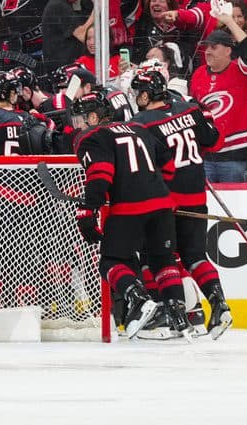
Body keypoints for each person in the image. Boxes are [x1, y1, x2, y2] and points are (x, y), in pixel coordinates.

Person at [71, 89, 190, 338]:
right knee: (163, 261)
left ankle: (137, 297)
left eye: (81, 118)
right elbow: (168, 164)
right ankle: (178, 317)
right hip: (161, 204)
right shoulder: (138, 128)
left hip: (129, 208)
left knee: (111, 261)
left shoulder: (92, 136)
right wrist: (152, 188)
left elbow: (101, 173)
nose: (78, 125)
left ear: (94, 117)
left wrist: (88, 208)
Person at [128, 65, 232, 338]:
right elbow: (215, 141)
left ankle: (171, 317)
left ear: (148, 94)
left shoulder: (141, 123)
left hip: (166, 202)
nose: (137, 96)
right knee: (195, 256)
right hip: (196, 196)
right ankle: (220, 306)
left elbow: (139, 165)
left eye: (139, 92)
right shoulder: (189, 109)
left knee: (157, 258)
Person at [189, 28, 247, 182]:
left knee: (233, 205)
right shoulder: (198, 73)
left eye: (213, 47)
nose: (207, 51)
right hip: (206, 156)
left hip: (234, 157)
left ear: (228, 50)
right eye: (206, 47)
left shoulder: (241, 71)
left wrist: (229, 21)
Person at [40, 0, 93, 71]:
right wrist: (97, 9)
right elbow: (83, 35)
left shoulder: (61, 4)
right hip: (64, 74)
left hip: (65, 71)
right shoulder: (58, 5)